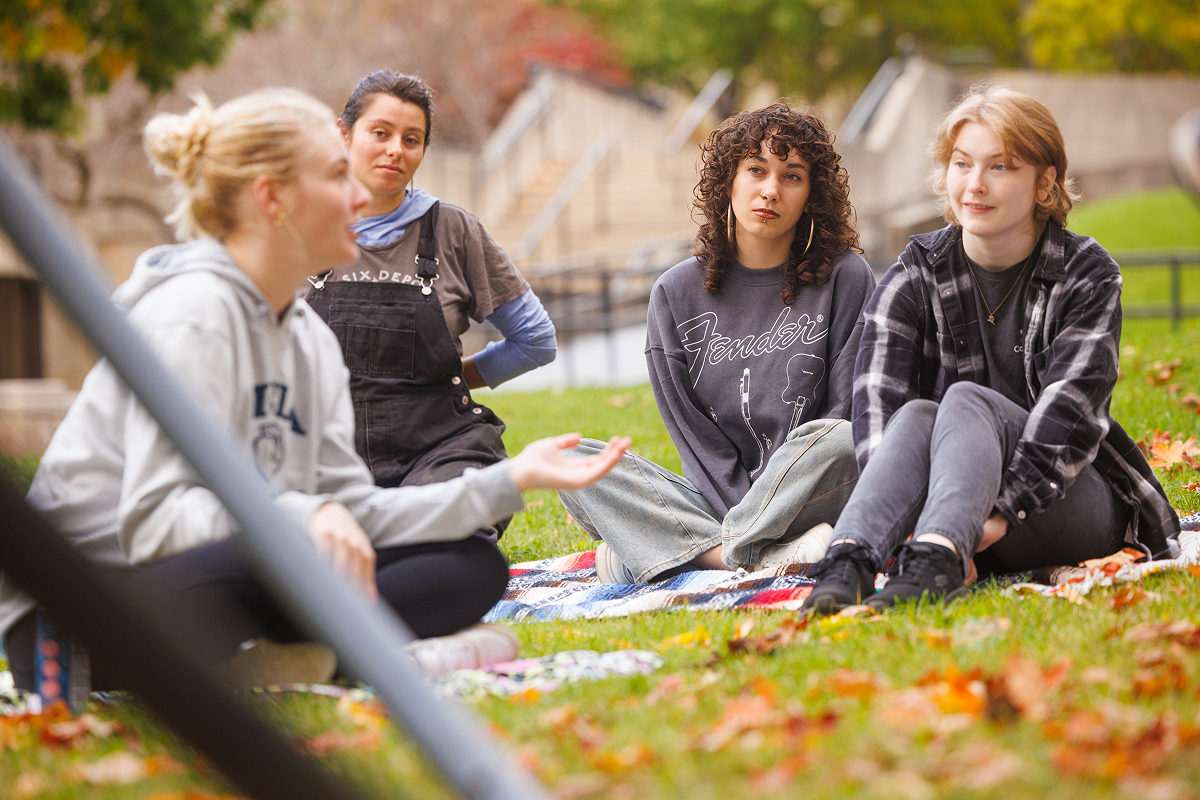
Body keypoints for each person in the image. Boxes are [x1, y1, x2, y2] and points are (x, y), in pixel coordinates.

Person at [0, 89, 628, 690]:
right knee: (277, 553)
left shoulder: (304, 335)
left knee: (467, 566)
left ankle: (285, 661)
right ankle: (340, 653)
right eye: (336, 176)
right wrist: (307, 517)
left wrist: (508, 480)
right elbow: (156, 521)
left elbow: (355, 505)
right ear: (271, 197)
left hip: (233, 576)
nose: (359, 196)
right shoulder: (192, 314)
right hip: (86, 611)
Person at [802, 84, 1181, 615]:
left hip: (1057, 506)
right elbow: (876, 421)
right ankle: (850, 561)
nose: (974, 185)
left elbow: (1070, 418)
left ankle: (940, 558)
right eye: (962, 164)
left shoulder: (1086, 276)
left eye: (1000, 167)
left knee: (967, 400)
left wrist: (989, 519)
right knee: (913, 416)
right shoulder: (914, 274)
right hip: (945, 516)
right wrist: (921, 525)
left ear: (1045, 182)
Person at [558, 103, 875, 584]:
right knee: (574, 460)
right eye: (755, 169)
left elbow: (844, 413)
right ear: (728, 179)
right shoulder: (674, 294)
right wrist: (745, 514)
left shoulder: (846, 278)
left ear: (811, 194)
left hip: (814, 491)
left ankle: (677, 553)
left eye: (792, 176)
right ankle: (754, 555)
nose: (770, 190)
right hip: (716, 497)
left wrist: (765, 506)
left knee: (843, 438)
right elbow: (696, 441)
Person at [304, 70, 556, 520]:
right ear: (343, 134)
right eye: (380, 133)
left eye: (411, 139)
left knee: (456, 544)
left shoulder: (455, 231)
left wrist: (447, 377)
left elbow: (535, 340)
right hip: (321, 455)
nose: (395, 150)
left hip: (437, 451)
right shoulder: (300, 228)